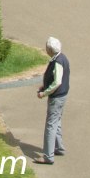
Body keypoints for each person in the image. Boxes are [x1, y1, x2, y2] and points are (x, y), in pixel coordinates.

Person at [35, 36, 70, 165]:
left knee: (50, 125)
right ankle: (58, 148)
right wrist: (45, 86)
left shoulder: (57, 62)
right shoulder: (62, 57)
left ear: (49, 50)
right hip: (62, 96)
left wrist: (44, 93)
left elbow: (57, 82)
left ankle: (48, 156)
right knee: (57, 121)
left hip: (56, 98)